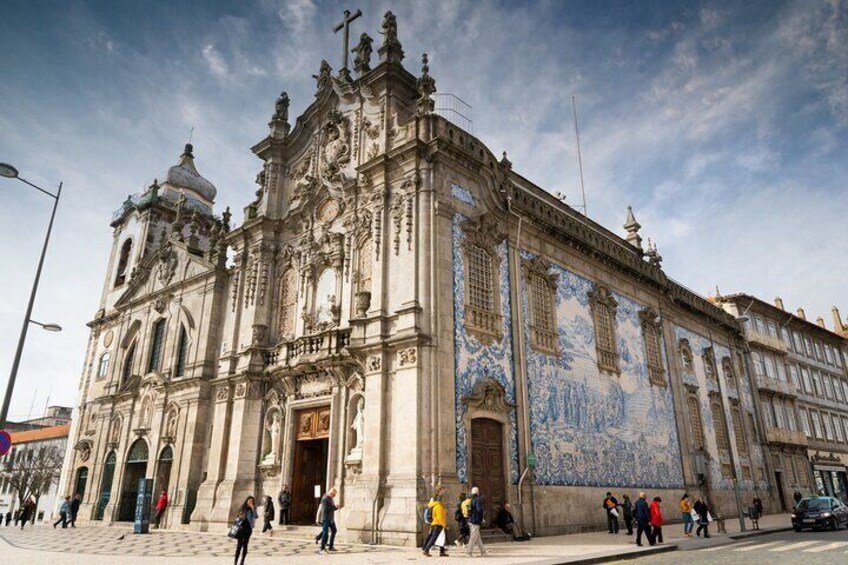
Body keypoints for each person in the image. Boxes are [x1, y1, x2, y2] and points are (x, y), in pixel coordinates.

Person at [422, 485, 448, 557]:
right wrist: (444, 525)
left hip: (435, 523)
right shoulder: (439, 506)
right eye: (443, 490)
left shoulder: (436, 505)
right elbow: (440, 516)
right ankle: (426, 550)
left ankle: (441, 552)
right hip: (438, 523)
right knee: (434, 538)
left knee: (441, 537)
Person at [317, 487, 341, 555]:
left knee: (334, 530)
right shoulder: (325, 499)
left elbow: (332, 508)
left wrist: (336, 507)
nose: (334, 496)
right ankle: (322, 548)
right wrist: (335, 507)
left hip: (330, 519)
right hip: (326, 518)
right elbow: (326, 509)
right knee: (325, 533)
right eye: (334, 495)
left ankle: (331, 546)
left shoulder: (330, 499)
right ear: (331, 493)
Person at [233, 496, 256, 565]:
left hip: (248, 529)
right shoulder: (242, 508)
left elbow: (256, 516)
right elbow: (238, 517)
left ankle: (242, 561)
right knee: (239, 545)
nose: (250, 502)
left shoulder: (253, 509)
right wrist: (239, 516)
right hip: (240, 529)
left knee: (245, 545)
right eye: (249, 501)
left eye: (252, 501)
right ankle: (235, 562)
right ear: (247, 501)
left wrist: (253, 508)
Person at [466, 486, 487, 557]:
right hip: (475, 520)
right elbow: (479, 509)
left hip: (470, 519)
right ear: (477, 492)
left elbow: (468, 509)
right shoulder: (477, 500)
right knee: (473, 537)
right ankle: (468, 552)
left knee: (477, 537)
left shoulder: (470, 500)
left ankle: (483, 552)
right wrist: (483, 511)